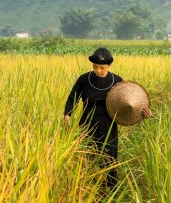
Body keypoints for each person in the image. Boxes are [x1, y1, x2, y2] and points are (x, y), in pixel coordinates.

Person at [63, 47, 152, 189]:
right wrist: (67, 114)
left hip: (108, 125)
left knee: (109, 159)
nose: (98, 71)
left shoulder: (117, 81)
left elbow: (129, 103)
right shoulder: (84, 79)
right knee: (87, 158)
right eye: (95, 67)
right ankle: (87, 190)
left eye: (102, 68)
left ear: (109, 66)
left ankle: (110, 192)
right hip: (87, 123)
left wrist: (143, 112)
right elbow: (73, 98)